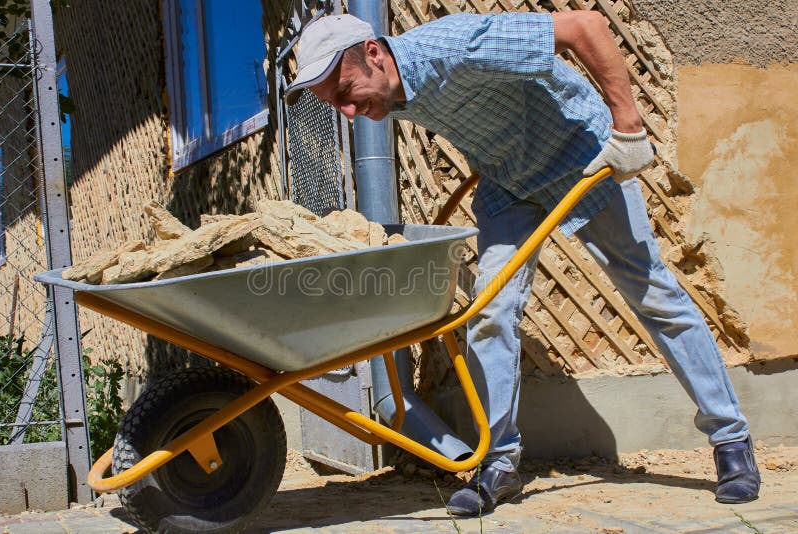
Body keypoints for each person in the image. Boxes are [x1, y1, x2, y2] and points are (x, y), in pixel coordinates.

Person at [284, 11, 761, 516]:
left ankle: (731, 441)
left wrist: (628, 125)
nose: (350, 113)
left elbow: (586, 27)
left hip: (583, 156)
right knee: (489, 312)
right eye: (336, 104)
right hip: (509, 185)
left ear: (374, 53)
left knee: (652, 293)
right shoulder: (389, 93)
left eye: (346, 92)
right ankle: (501, 461)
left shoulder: (455, 45)